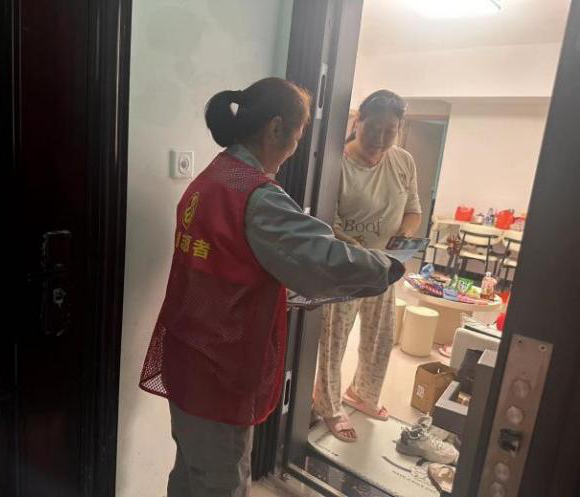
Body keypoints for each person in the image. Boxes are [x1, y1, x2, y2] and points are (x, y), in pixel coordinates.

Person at [139, 78, 405, 497]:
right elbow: (322, 259)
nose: (296, 148)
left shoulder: (212, 176)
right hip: (220, 368)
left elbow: (233, 264)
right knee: (221, 483)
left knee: (190, 473)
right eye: (298, 136)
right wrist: (386, 267)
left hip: (187, 353)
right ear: (276, 128)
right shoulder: (256, 196)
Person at [313, 89, 422, 443]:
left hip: (385, 265)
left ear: (399, 129)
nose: (380, 138)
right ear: (357, 121)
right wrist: (358, 250)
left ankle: (362, 392)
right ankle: (328, 404)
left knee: (381, 336)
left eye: (390, 131)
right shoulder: (335, 163)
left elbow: (413, 212)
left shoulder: (403, 161)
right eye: (373, 128)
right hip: (345, 266)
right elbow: (327, 221)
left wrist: (404, 236)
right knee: (335, 338)